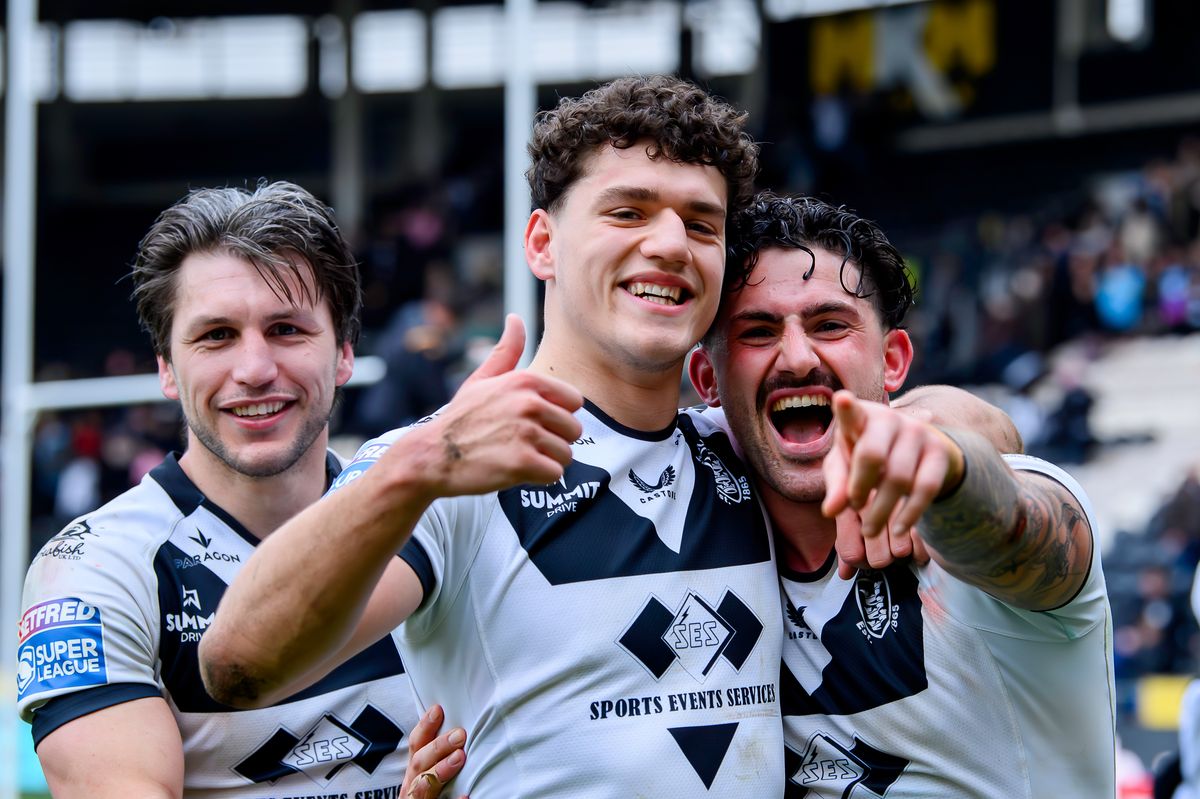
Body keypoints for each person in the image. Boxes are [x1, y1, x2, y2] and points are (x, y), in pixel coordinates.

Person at [200, 76, 789, 797]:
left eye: (702, 224)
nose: (670, 243)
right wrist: (421, 463)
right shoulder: (443, 465)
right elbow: (236, 664)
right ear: (542, 243)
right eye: (627, 211)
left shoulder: (754, 455)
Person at [16, 181, 463, 798]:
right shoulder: (92, 568)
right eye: (216, 336)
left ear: (344, 355)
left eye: (286, 329)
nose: (253, 370)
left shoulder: (438, 522)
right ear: (167, 368)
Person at [689, 193, 1116, 797]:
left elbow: (1018, 523)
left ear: (893, 362)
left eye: (830, 324)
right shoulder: (684, 497)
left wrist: (944, 471)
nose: (796, 357)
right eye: (757, 332)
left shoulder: (979, 506)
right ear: (708, 379)